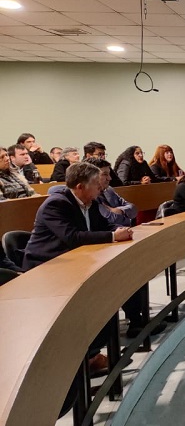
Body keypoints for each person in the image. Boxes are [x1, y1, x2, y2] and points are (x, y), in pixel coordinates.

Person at [22, 162, 135, 389]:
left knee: (112, 294)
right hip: (46, 269)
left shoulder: (90, 203)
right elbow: (72, 237)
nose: (100, 188)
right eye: (96, 184)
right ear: (81, 186)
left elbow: (103, 225)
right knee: (93, 304)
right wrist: (113, 238)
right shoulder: (56, 204)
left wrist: (118, 231)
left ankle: (91, 356)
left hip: (76, 263)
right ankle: (83, 361)